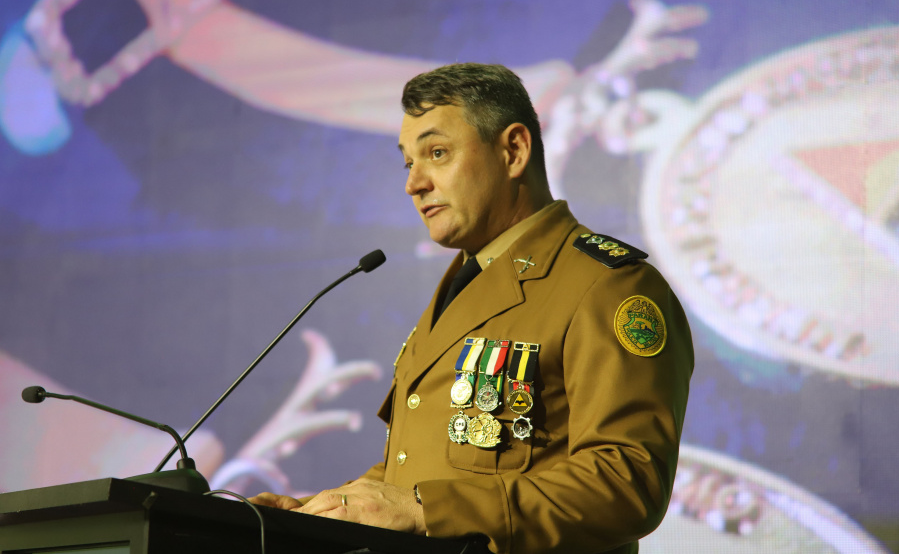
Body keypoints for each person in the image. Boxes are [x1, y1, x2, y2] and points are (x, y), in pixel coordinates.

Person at [251, 62, 693, 554]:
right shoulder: (465, 283)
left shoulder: (608, 285)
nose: (414, 183)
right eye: (408, 163)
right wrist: (319, 512)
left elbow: (627, 482)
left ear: (513, 151)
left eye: (437, 153)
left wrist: (426, 511)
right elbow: (428, 469)